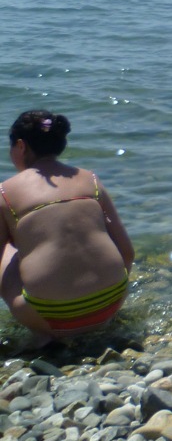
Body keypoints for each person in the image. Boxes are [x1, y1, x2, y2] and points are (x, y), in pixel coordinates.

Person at [0, 110, 134, 344]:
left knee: (7, 254)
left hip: (52, 319)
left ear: (21, 146)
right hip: (111, 302)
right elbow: (127, 253)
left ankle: (42, 336)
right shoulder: (90, 179)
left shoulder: (5, 193)